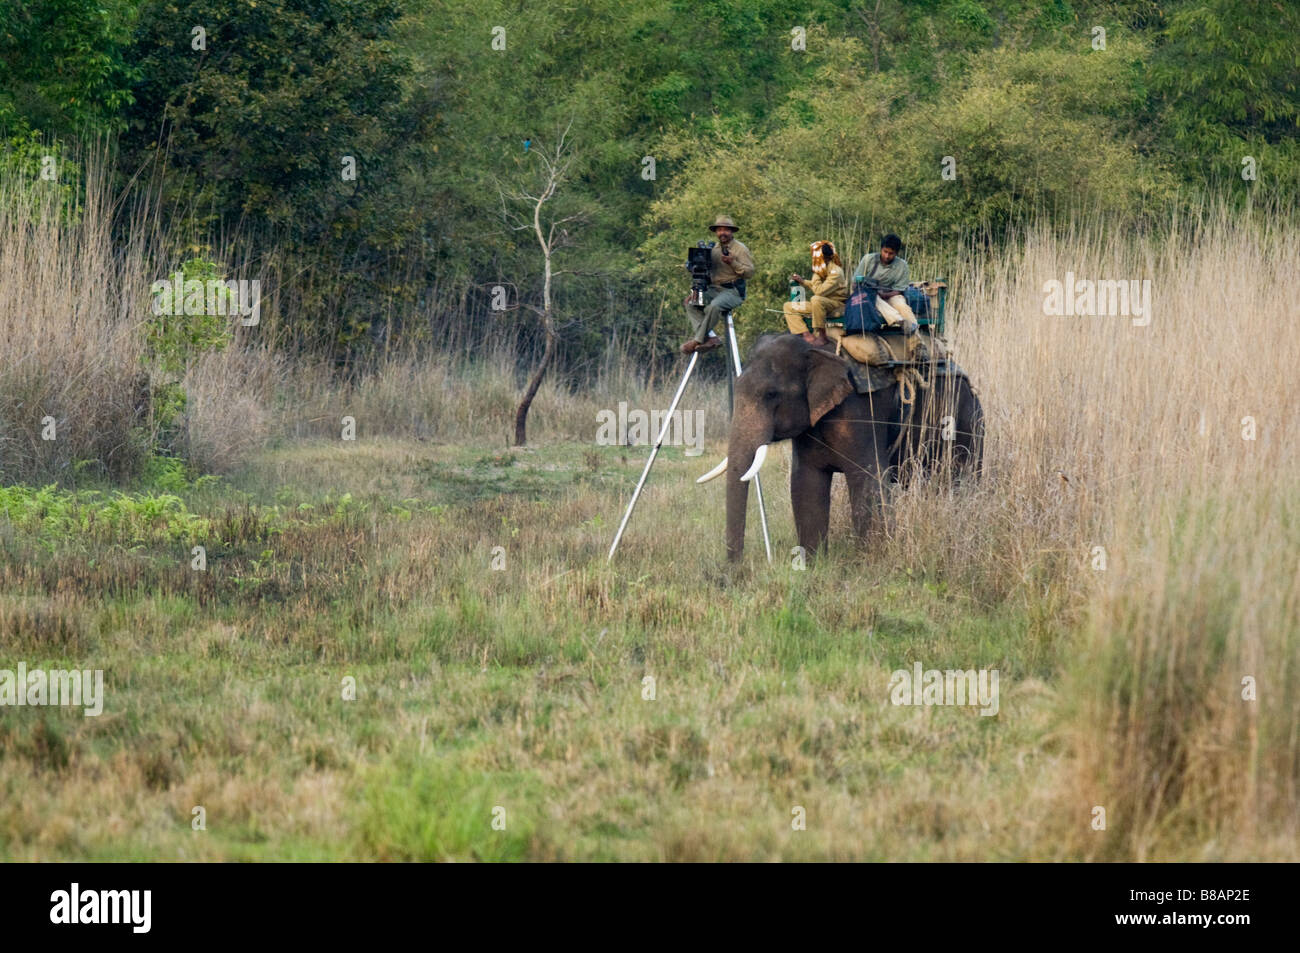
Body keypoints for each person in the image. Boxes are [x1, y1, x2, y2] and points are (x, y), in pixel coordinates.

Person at [681, 215, 756, 354]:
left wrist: (733, 262)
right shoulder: (713, 249)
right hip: (714, 289)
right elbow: (705, 272)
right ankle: (712, 338)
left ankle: (697, 341)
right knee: (691, 303)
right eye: (720, 230)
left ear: (732, 232)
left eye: (726, 230)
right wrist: (696, 290)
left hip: (732, 291)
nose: (723, 233)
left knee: (713, 307)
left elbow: (750, 273)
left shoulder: (740, 249)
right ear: (716, 232)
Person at [783, 240, 847, 348]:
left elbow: (819, 291)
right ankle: (806, 335)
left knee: (816, 299)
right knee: (788, 306)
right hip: (821, 305)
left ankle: (822, 337)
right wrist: (803, 281)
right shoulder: (823, 269)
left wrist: (816, 274)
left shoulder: (836, 272)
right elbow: (818, 288)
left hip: (836, 305)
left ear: (825, 258)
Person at [854, 233, 917, 333]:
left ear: (896, 253)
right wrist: (872, 292)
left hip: (889, 294)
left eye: (891, 253)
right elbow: (855, 283)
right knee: (872, 297)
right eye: (885, 252)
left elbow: (899, 290)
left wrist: (884, 295)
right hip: (870, 295)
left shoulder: (902, 265)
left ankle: (914, 328)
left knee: (901, 304)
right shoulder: (868, 260)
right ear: (881, 249)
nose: (887, 256)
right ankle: (899, 320)